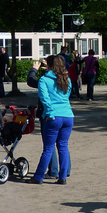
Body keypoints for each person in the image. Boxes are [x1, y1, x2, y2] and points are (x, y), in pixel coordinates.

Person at [30, 54, 74, 185]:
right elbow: (67, 96)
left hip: (53, 116)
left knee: (48, 148)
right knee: (63, 147)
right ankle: (62, 177)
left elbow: (45, 99)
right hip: (68, 116)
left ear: (48, 66)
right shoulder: (67, 80)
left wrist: (49, 113)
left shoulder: (44, 80)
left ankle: (38, 177)